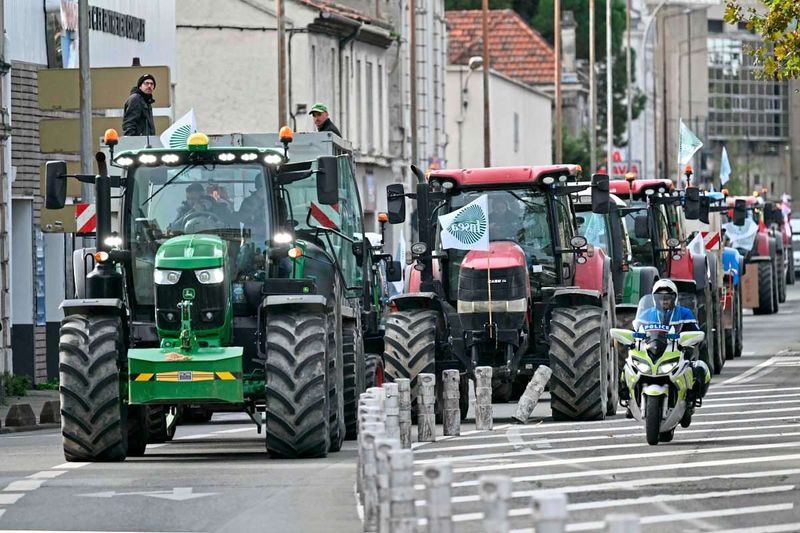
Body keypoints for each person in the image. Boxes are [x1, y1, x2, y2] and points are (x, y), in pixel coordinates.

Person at [637, 279, 709, 398]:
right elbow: (636, 333)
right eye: (660, 297)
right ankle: (628, 398)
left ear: (674, 298)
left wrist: (688, 340)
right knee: (628, 367)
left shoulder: (685, 313)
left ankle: (691, 398)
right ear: (654, 299)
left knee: (700, 368)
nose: (664, 301)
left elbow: (695, 334)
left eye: (668, 297)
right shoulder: (646, 314)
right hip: (651, 354)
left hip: (678, 354)